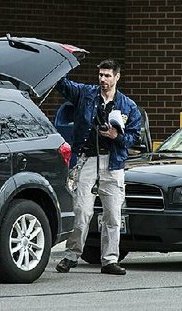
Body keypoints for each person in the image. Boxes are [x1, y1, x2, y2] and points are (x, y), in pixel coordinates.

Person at [54, 59, 141, 276]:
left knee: (113, 214)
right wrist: (60, 65)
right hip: (88, 159)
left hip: (113, 162)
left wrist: (116, 136)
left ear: (117, 77)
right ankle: (71, 255)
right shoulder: (86, 94)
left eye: (107, 76)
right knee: (81, 210)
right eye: (100, 75)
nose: (103, 80)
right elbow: (63, 85)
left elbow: (134, 137)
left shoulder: (128, 106)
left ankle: (110, 260)